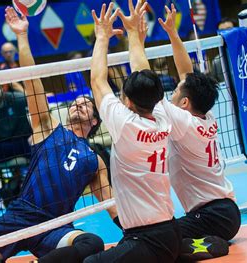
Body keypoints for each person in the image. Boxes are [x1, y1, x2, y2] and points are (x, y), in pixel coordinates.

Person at [0, 7, 118, 263]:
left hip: (55, 227)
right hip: (20, 218)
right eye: (75, 102)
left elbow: (109, 203)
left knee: (92, 243)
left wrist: (135, 232)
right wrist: (22, 36)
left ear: (95, 120)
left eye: (86, 103)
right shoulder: (48, 128)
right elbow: (32, 81)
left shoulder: (94, 160)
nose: (78, 104)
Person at [85, 1, 181, 262]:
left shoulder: (125, 124)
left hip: (147, 239)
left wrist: (102, 36)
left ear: (127, 100)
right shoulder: (161, 116)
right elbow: (143, 72)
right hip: (168, 231)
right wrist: (133, 35)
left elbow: (97, 80)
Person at [159, 4, 239, 260]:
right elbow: (187, 74)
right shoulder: (205, 116)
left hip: (212, 215)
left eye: (175, 92)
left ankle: (207, 246)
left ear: (184, 103)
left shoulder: (183, 123)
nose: (172, 95)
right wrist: (173, 34)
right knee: (164, 236)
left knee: (157, 241)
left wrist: (135, 37)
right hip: (227, 212)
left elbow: (147, 87)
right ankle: (206, 241)